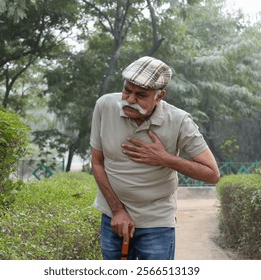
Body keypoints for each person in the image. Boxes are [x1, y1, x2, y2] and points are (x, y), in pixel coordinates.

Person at [90, 56, 220, 260]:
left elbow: (212, 174)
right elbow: (97, 162)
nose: (130, 99)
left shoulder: (179, 121)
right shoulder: (104, 106)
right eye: (127, 90)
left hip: (156, 222)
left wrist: (164, 158)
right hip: (113, 217)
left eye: (141, 95)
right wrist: (117, 210)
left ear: (159, 96)